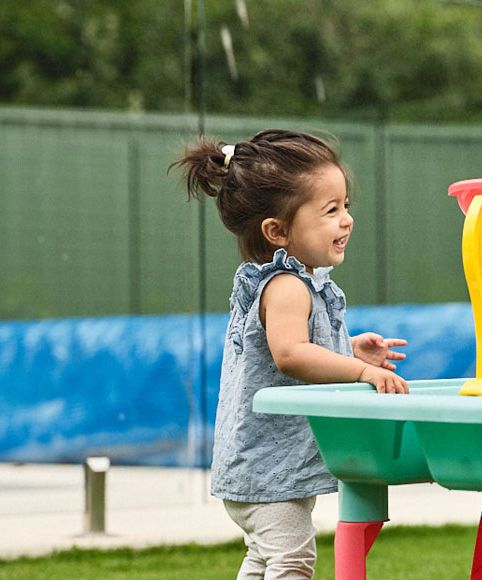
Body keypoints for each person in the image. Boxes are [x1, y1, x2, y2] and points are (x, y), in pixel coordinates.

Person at [173, 129, 410, 580]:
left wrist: (350, 348)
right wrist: (360, 371)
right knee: (293, 560)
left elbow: (299, 349)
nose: (347, 220)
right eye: (331, 210)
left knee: (265, 560)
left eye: (346, 206)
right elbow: (290, 355)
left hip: (265, 467)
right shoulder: (286, 287)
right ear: (278, 231)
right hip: (266, 469)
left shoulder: (296, 283)